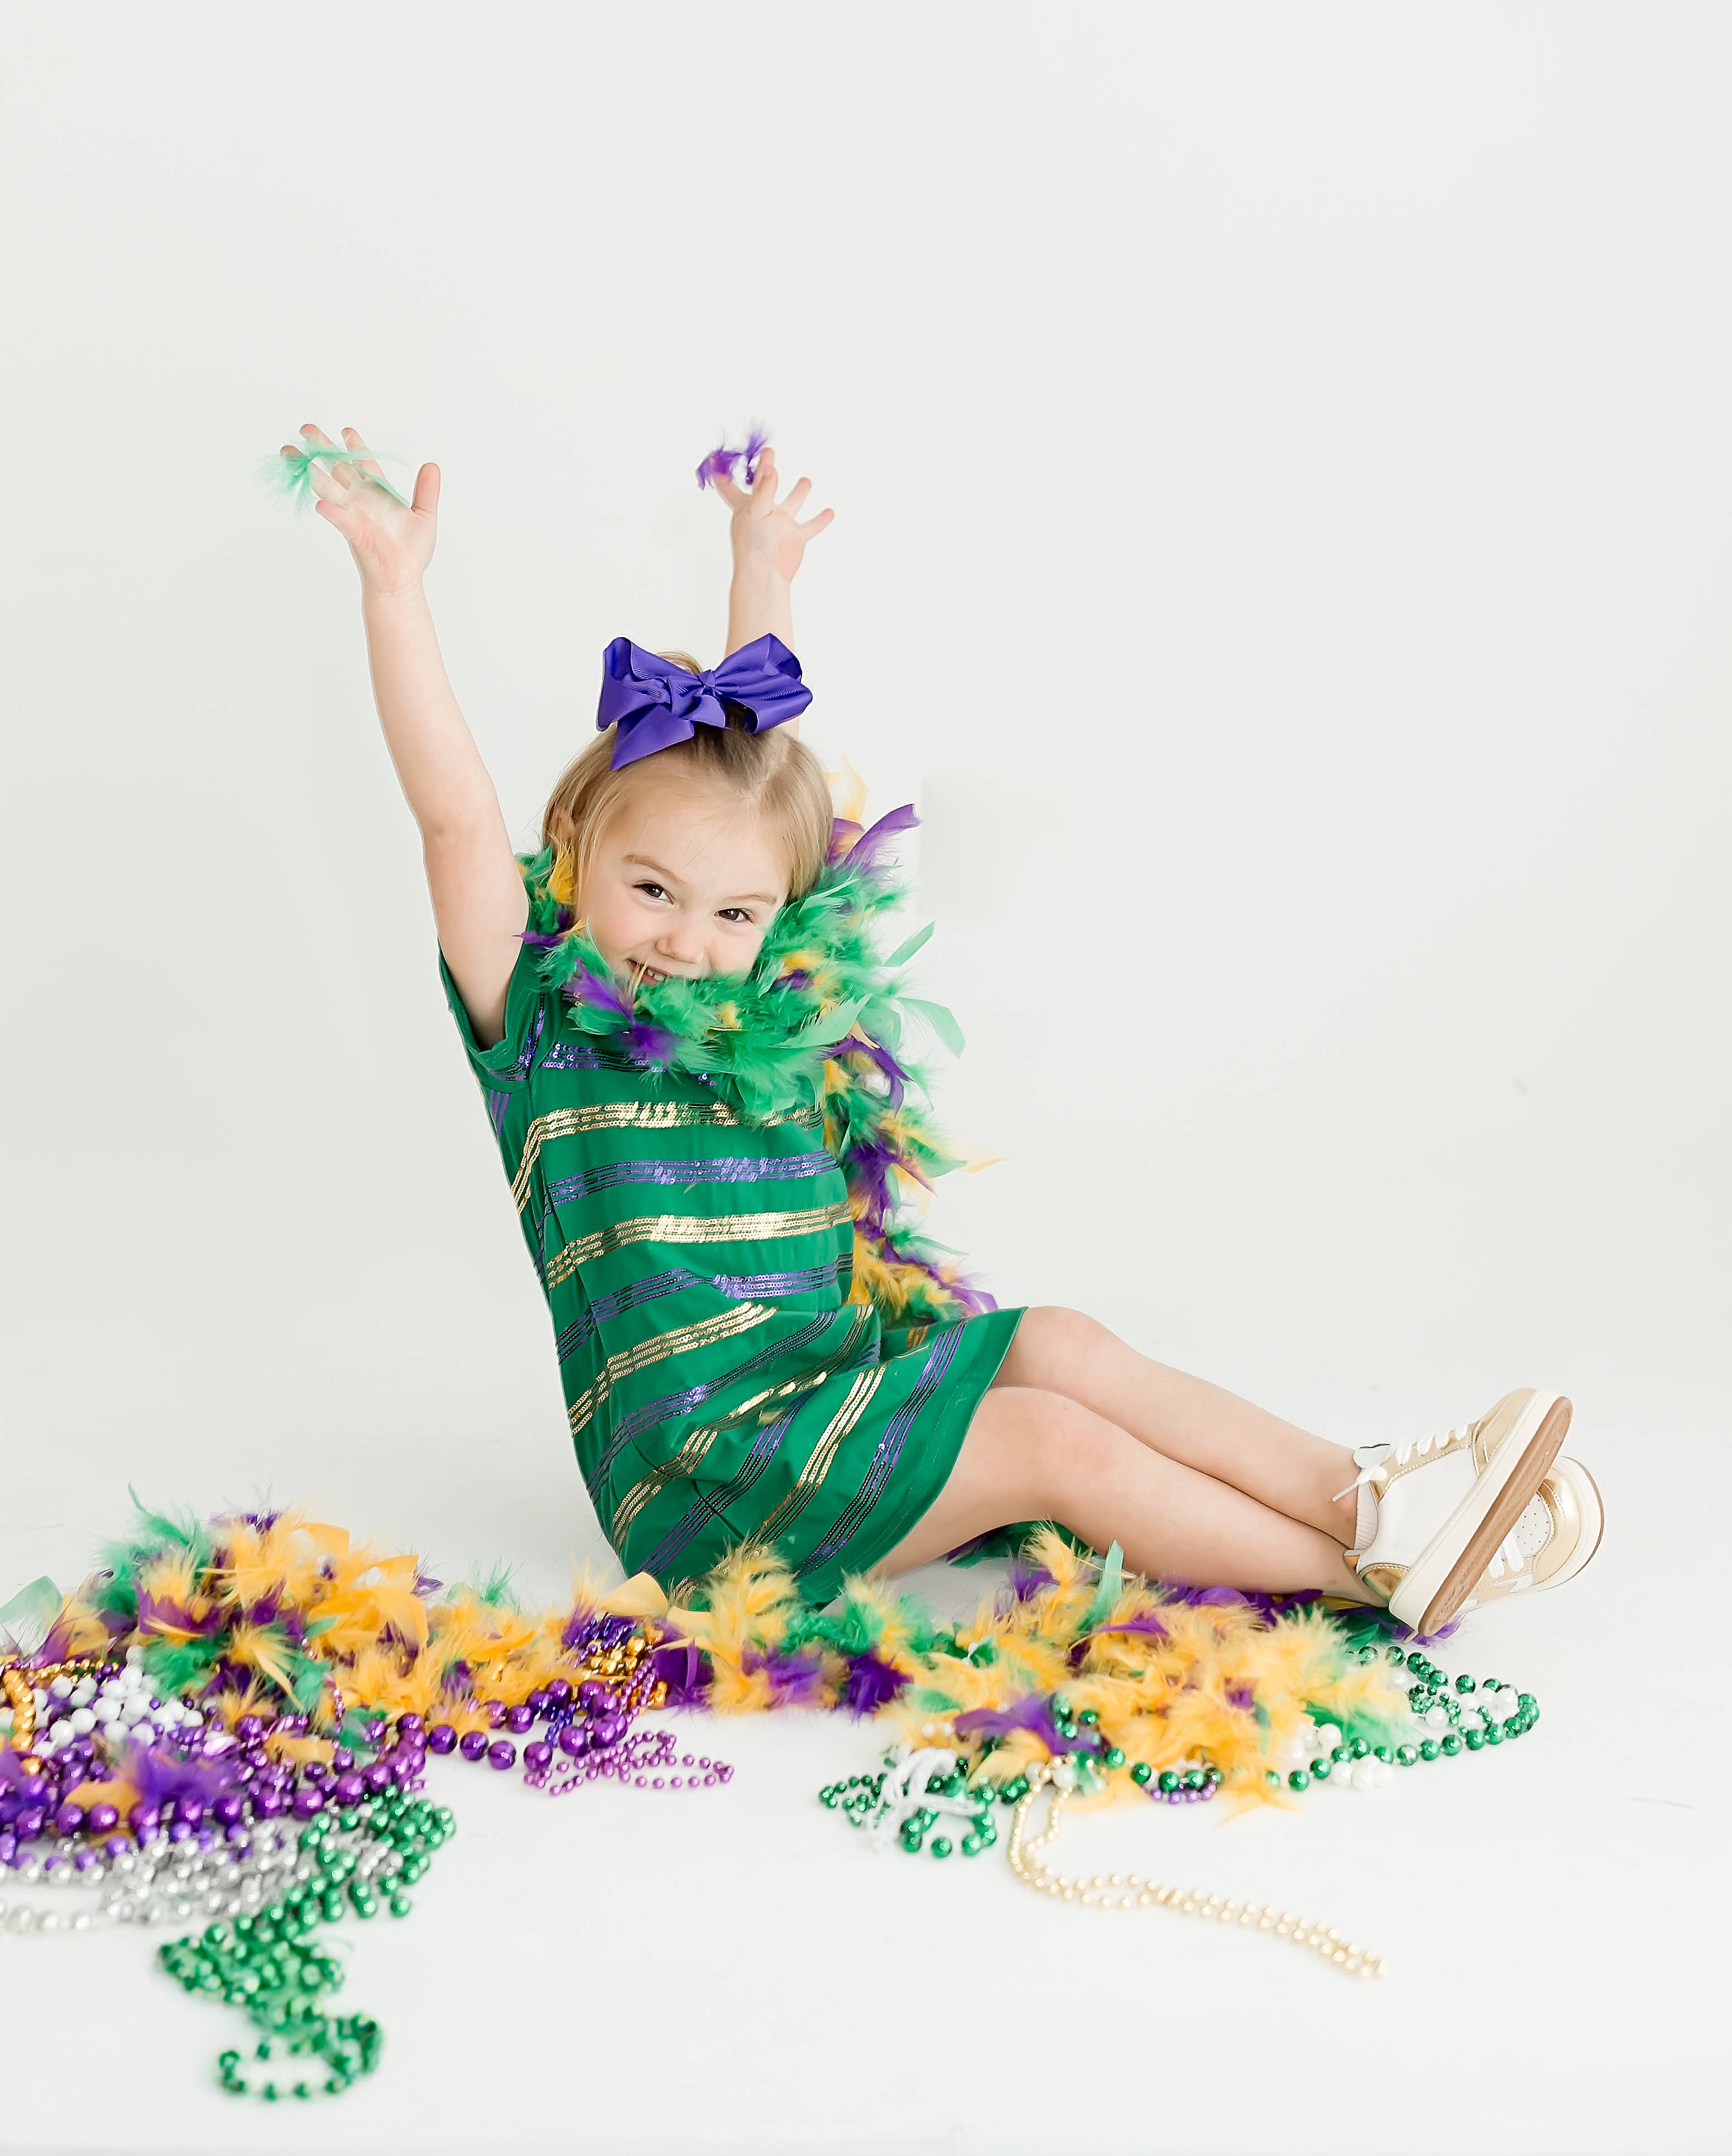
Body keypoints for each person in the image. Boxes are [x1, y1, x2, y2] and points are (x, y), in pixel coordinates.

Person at [287, 420, 1604, 1634]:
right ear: (578, 846)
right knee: (1050, 1443)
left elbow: (766, 771)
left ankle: (1375, 1505)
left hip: (836, 1387)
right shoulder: (541, 1022)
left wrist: (760, 571)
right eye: (651, 891)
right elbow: (456, 819)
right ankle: (1370, 1579)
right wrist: (395, 592)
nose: (687, 939)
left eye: (735, 911)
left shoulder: (768, 993)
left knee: (1058, 1343)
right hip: (711, 1485)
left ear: (779, 912)